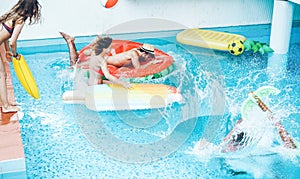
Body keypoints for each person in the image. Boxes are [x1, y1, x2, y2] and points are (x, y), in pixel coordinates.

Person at [0, 0, 41, 113]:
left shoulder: (12, 15)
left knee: (2, 75)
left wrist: (7, 50)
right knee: (1, 75)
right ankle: (5, 107)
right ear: (31, 8)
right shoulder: (20, 20)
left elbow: (4, 36)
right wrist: (15, 54)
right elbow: (13, 41)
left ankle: (5, 102)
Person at [59, 32, 162, 69]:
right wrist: (151, 63)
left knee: (77, 63)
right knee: (74, 66)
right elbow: (138, 68)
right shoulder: (134, 54)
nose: (148, 59)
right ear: (144, 52)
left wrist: (154, 58)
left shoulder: (137, 51)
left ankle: (72, 44)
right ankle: (70, 42)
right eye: (148, 56)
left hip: (104, 59)